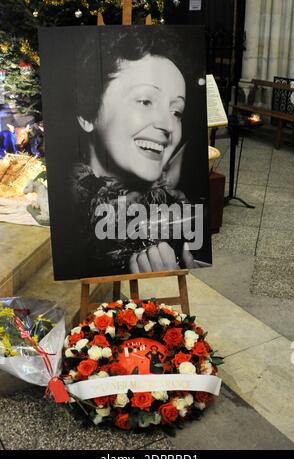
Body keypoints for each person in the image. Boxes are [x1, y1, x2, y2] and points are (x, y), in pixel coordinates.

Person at [71, 27, 204, 276]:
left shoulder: (179, 217)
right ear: (87, 113)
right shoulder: (67, 216)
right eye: (145, 101)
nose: (167, 125)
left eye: (176, 112)